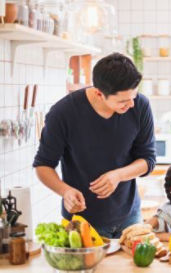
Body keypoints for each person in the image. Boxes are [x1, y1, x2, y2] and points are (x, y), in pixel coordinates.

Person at [33, 52, 156, 238]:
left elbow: (148, 159)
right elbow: (43, 165)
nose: (131, 104)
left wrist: (118, 175)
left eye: (134, 96)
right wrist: (65, 191)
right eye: (123, 101)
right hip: (81, 222)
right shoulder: (63, 113)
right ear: (99, 93)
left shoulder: (140, 105)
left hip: (130, 216)